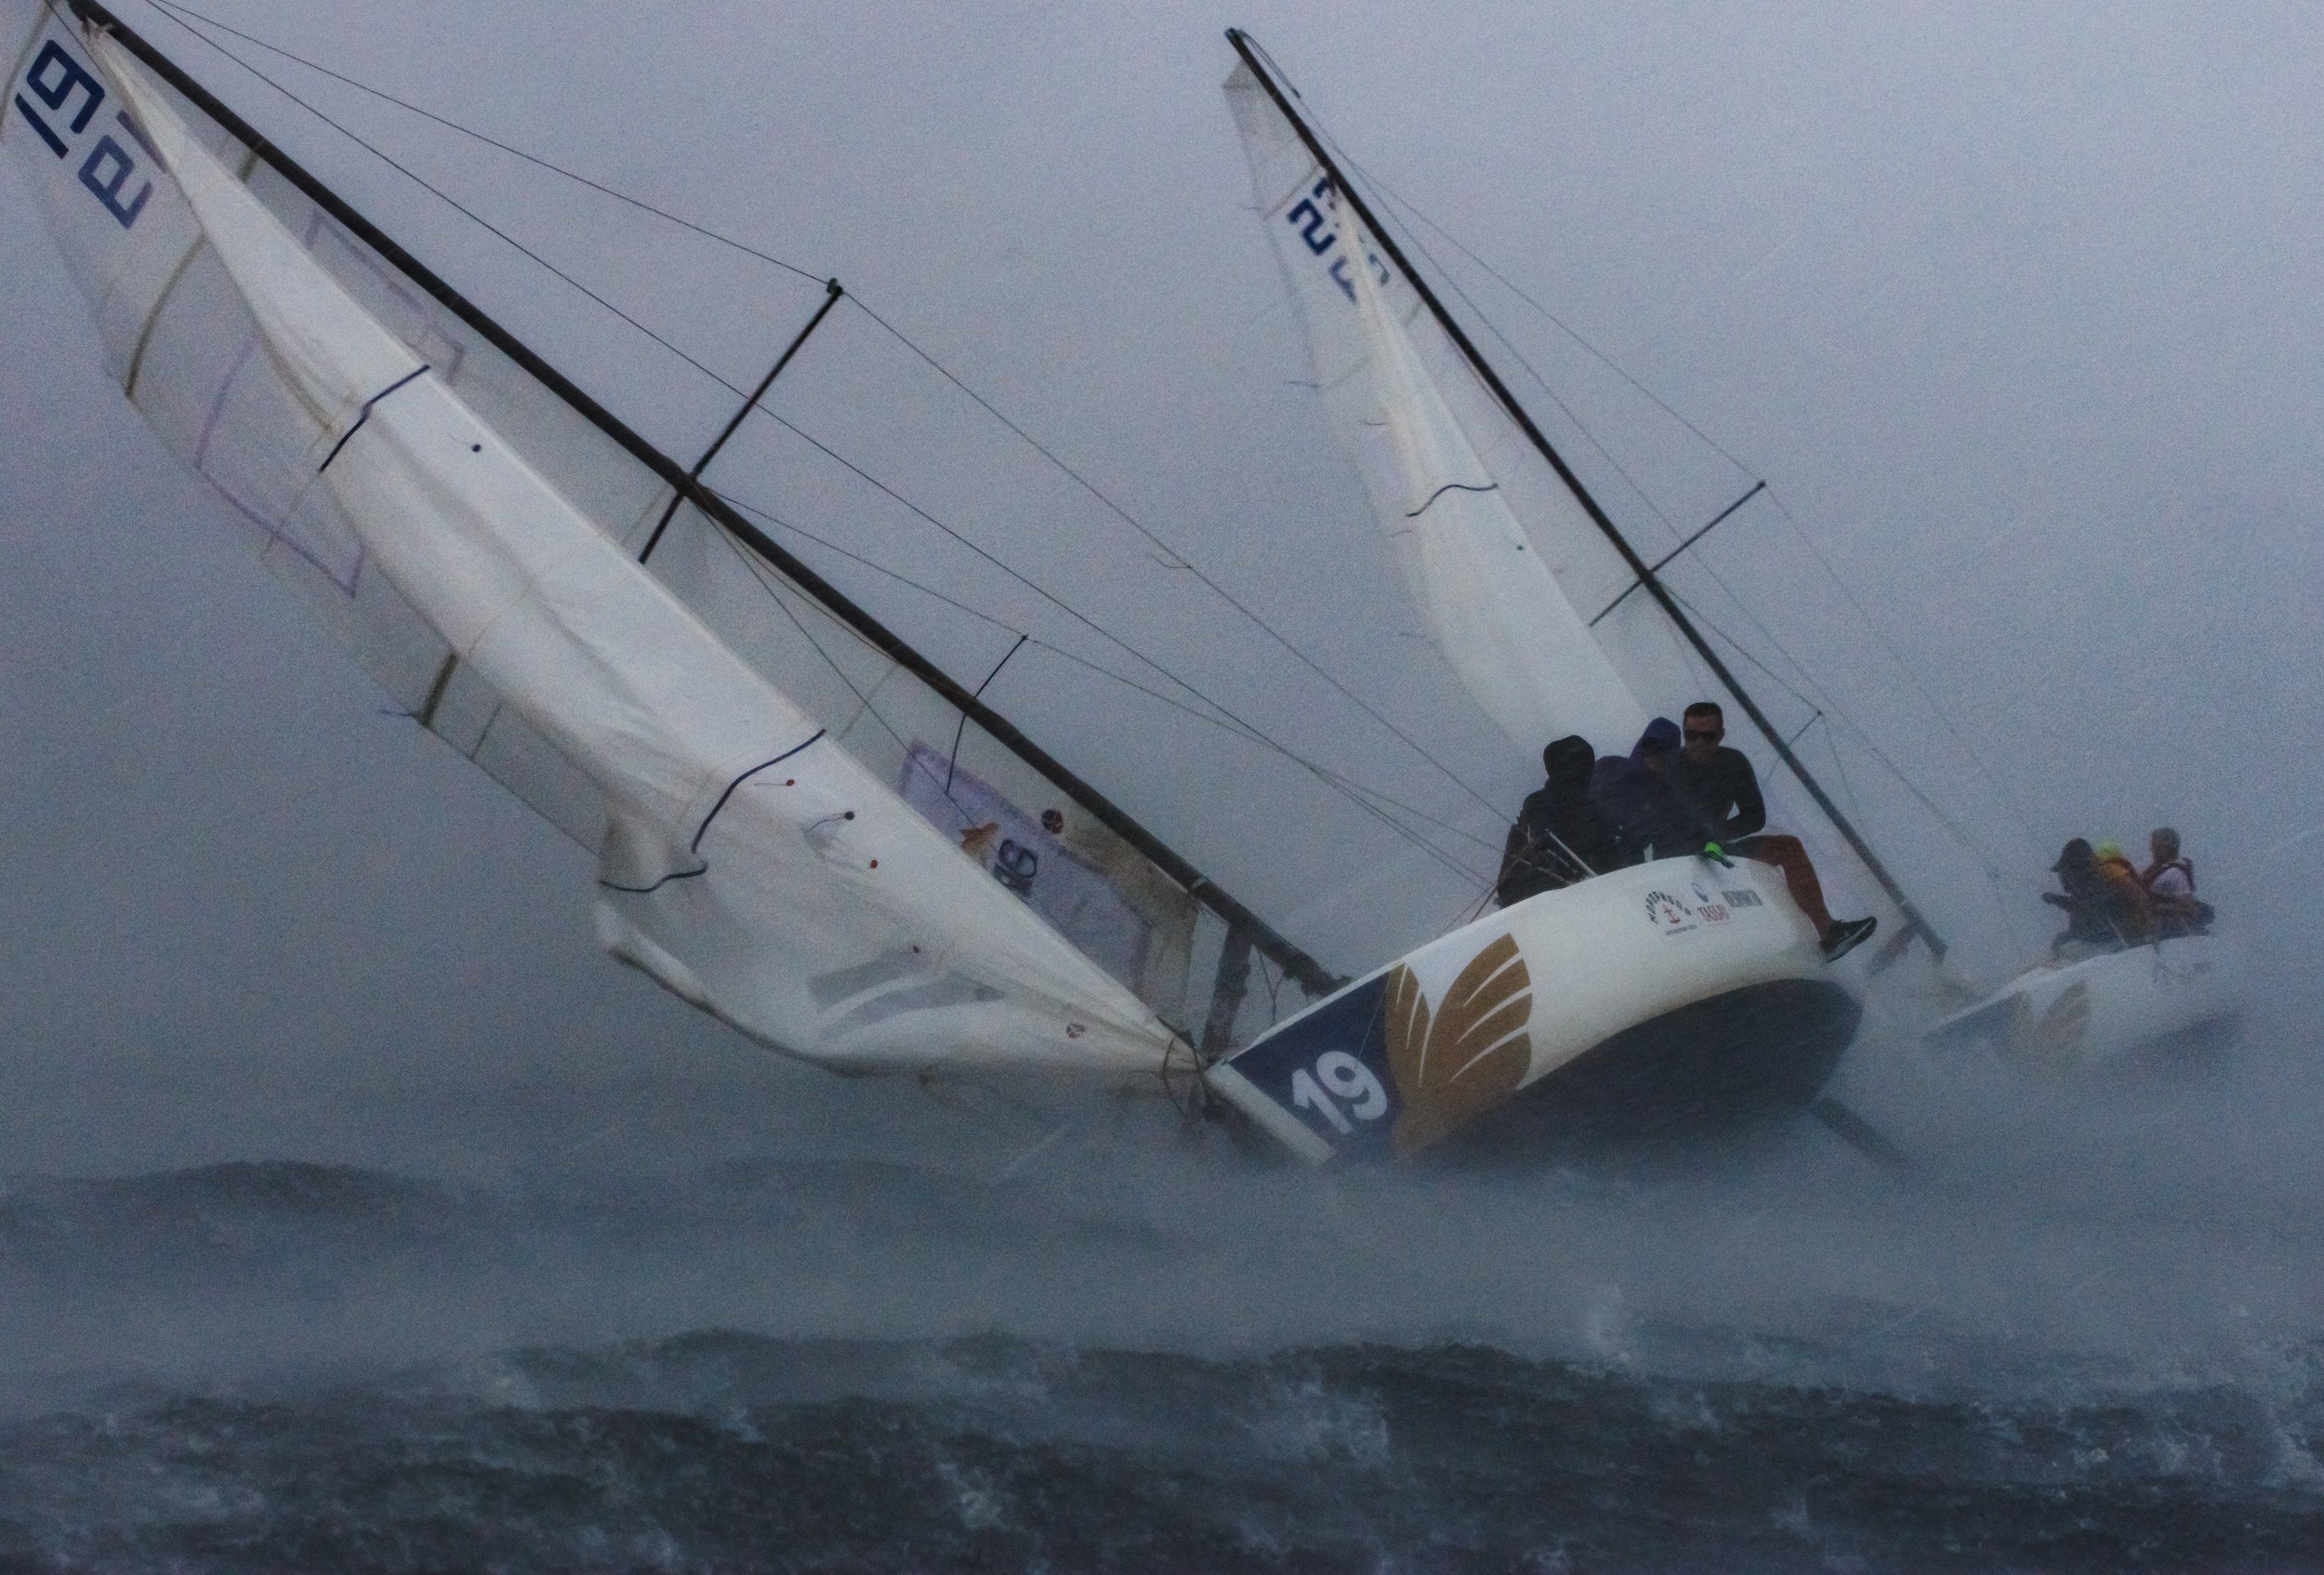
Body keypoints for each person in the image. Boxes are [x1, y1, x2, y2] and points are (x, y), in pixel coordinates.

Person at [1665, 700, 1878, 961]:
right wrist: (1696, 836)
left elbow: (1755, 817)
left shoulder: (1734, 763)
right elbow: (1657, 818)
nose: (1698, 743)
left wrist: (1716, 833)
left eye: (1707, 737)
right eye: (1691, 736)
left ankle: (1829, 931)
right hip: (1676, 856)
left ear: (1720, 735)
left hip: (1717, 848)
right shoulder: (1671, 766)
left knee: (1788, 846)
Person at [1497, 735, 1637, 907]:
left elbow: (1617, 866)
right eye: (1578, 768)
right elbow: (1514, 888)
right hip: (1554, 910)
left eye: (1585, 767)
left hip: (1606, 902)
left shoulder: (1597, 809)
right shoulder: (1537, 812)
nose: (1583, 775)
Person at [2042, 837, 2150, 953]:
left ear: (2077, 867)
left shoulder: (2105, 877)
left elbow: (2083, 907)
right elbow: (2080, 905)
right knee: (2061, 943)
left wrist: (2147, 929)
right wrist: (2055, 899)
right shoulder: (2088, 884)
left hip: (2112, 941)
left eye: (2066, 871)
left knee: (2066, 948)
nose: (2064, 878)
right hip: (2104, 938)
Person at [2140, 827, 2212, 937]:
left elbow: (2189, 908)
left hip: (2158, 926)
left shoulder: (2175, 874)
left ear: (2166, 847)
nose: (2151, 849)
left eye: (2154, 846)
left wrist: (2159, 907)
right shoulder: (2158, 869)